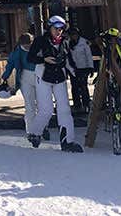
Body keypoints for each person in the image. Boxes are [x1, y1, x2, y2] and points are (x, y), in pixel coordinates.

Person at [27, 15, 83, 153]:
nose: (59, 31)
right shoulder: (40, 41)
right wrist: (44, 59)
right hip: (43, 76)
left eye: (61, 29)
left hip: (59, 77)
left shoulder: (64, 41)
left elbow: (68, 59)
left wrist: (76, 73)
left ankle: (67, 141)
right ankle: (34, 133)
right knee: (46, 110)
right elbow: (30, 58)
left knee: (64, 109)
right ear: (49, 28)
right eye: (56, 28)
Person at [1, 33, 50, 139]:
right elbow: (10, 64)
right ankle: (31, 130)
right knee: (29, 105)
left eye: (29, 44)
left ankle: (43, 126)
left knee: (42, 103)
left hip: (39, 76)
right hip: (25, 78)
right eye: (25, 45)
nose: (28, 46)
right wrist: (5, 76)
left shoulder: (39, 48)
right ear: (21, 43)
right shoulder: (17, 52)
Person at [68, 27, 94, 113]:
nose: (73, 37)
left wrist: (91, 68)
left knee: (83, 87)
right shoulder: (68, 43)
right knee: (74, 87)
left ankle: (86, 104)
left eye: (75, 34)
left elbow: (88, 56)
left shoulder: (84, 43)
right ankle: (77, 105)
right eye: (72, 35)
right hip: (73, 69)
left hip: (83, 68)